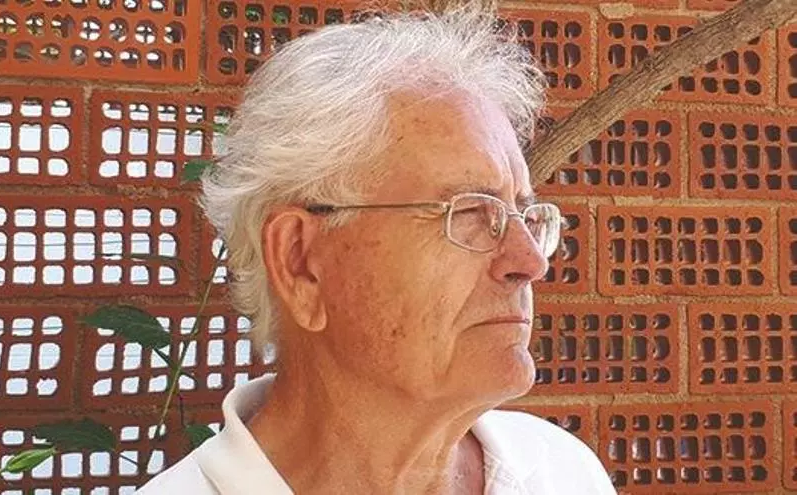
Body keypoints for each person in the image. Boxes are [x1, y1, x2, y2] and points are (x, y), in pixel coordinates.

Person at [138, 3, 616, 494]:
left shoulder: (562, 472)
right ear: (301, 263)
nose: (530, 262)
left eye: (526, 216)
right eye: (470, 213)